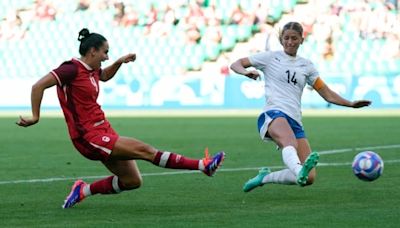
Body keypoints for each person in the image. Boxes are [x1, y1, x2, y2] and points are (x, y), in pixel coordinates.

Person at [16, 28, 225, 208]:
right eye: (105, 52)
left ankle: (83, 190)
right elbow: (38, 86)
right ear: (92, 51)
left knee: (132, 181)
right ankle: (202, 165)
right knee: (145, 151)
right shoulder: (70, 69)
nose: (106, 57)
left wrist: (118, 62)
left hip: (103, 129)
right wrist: (36, 116)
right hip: (88, 136)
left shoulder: (92, 70)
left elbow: (104, 76)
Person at [230, 22, 371, 192]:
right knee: (289, 143)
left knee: (309, 178)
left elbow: (325, 92)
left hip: (294, 119)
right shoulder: (269, 57)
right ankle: (298, 170)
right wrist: (246, 72)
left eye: (294, 38)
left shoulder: (307, 66)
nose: (290, 41)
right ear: (281, 40)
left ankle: (264, 178)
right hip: (273, 114)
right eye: (286, 38)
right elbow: (236, 64)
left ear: (301, 40)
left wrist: (350, 104)